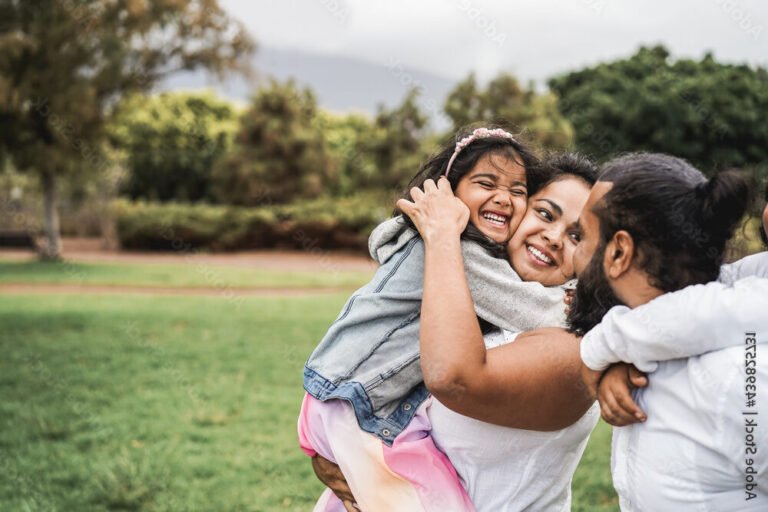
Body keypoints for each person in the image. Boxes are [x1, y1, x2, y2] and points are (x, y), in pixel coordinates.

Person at [300, 126, 595, 512]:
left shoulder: (578, 341)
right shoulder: (456, 264)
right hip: (357, 413)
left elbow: (452, 378)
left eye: (578, 236)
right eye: (544, 212)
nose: (554, 237)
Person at [578, 177, 768, 510]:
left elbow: (724, 310)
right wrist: (626, 354)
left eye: (580, 236)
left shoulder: (738, 383)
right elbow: (706, 296)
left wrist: (604, 348)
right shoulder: (753, 274)